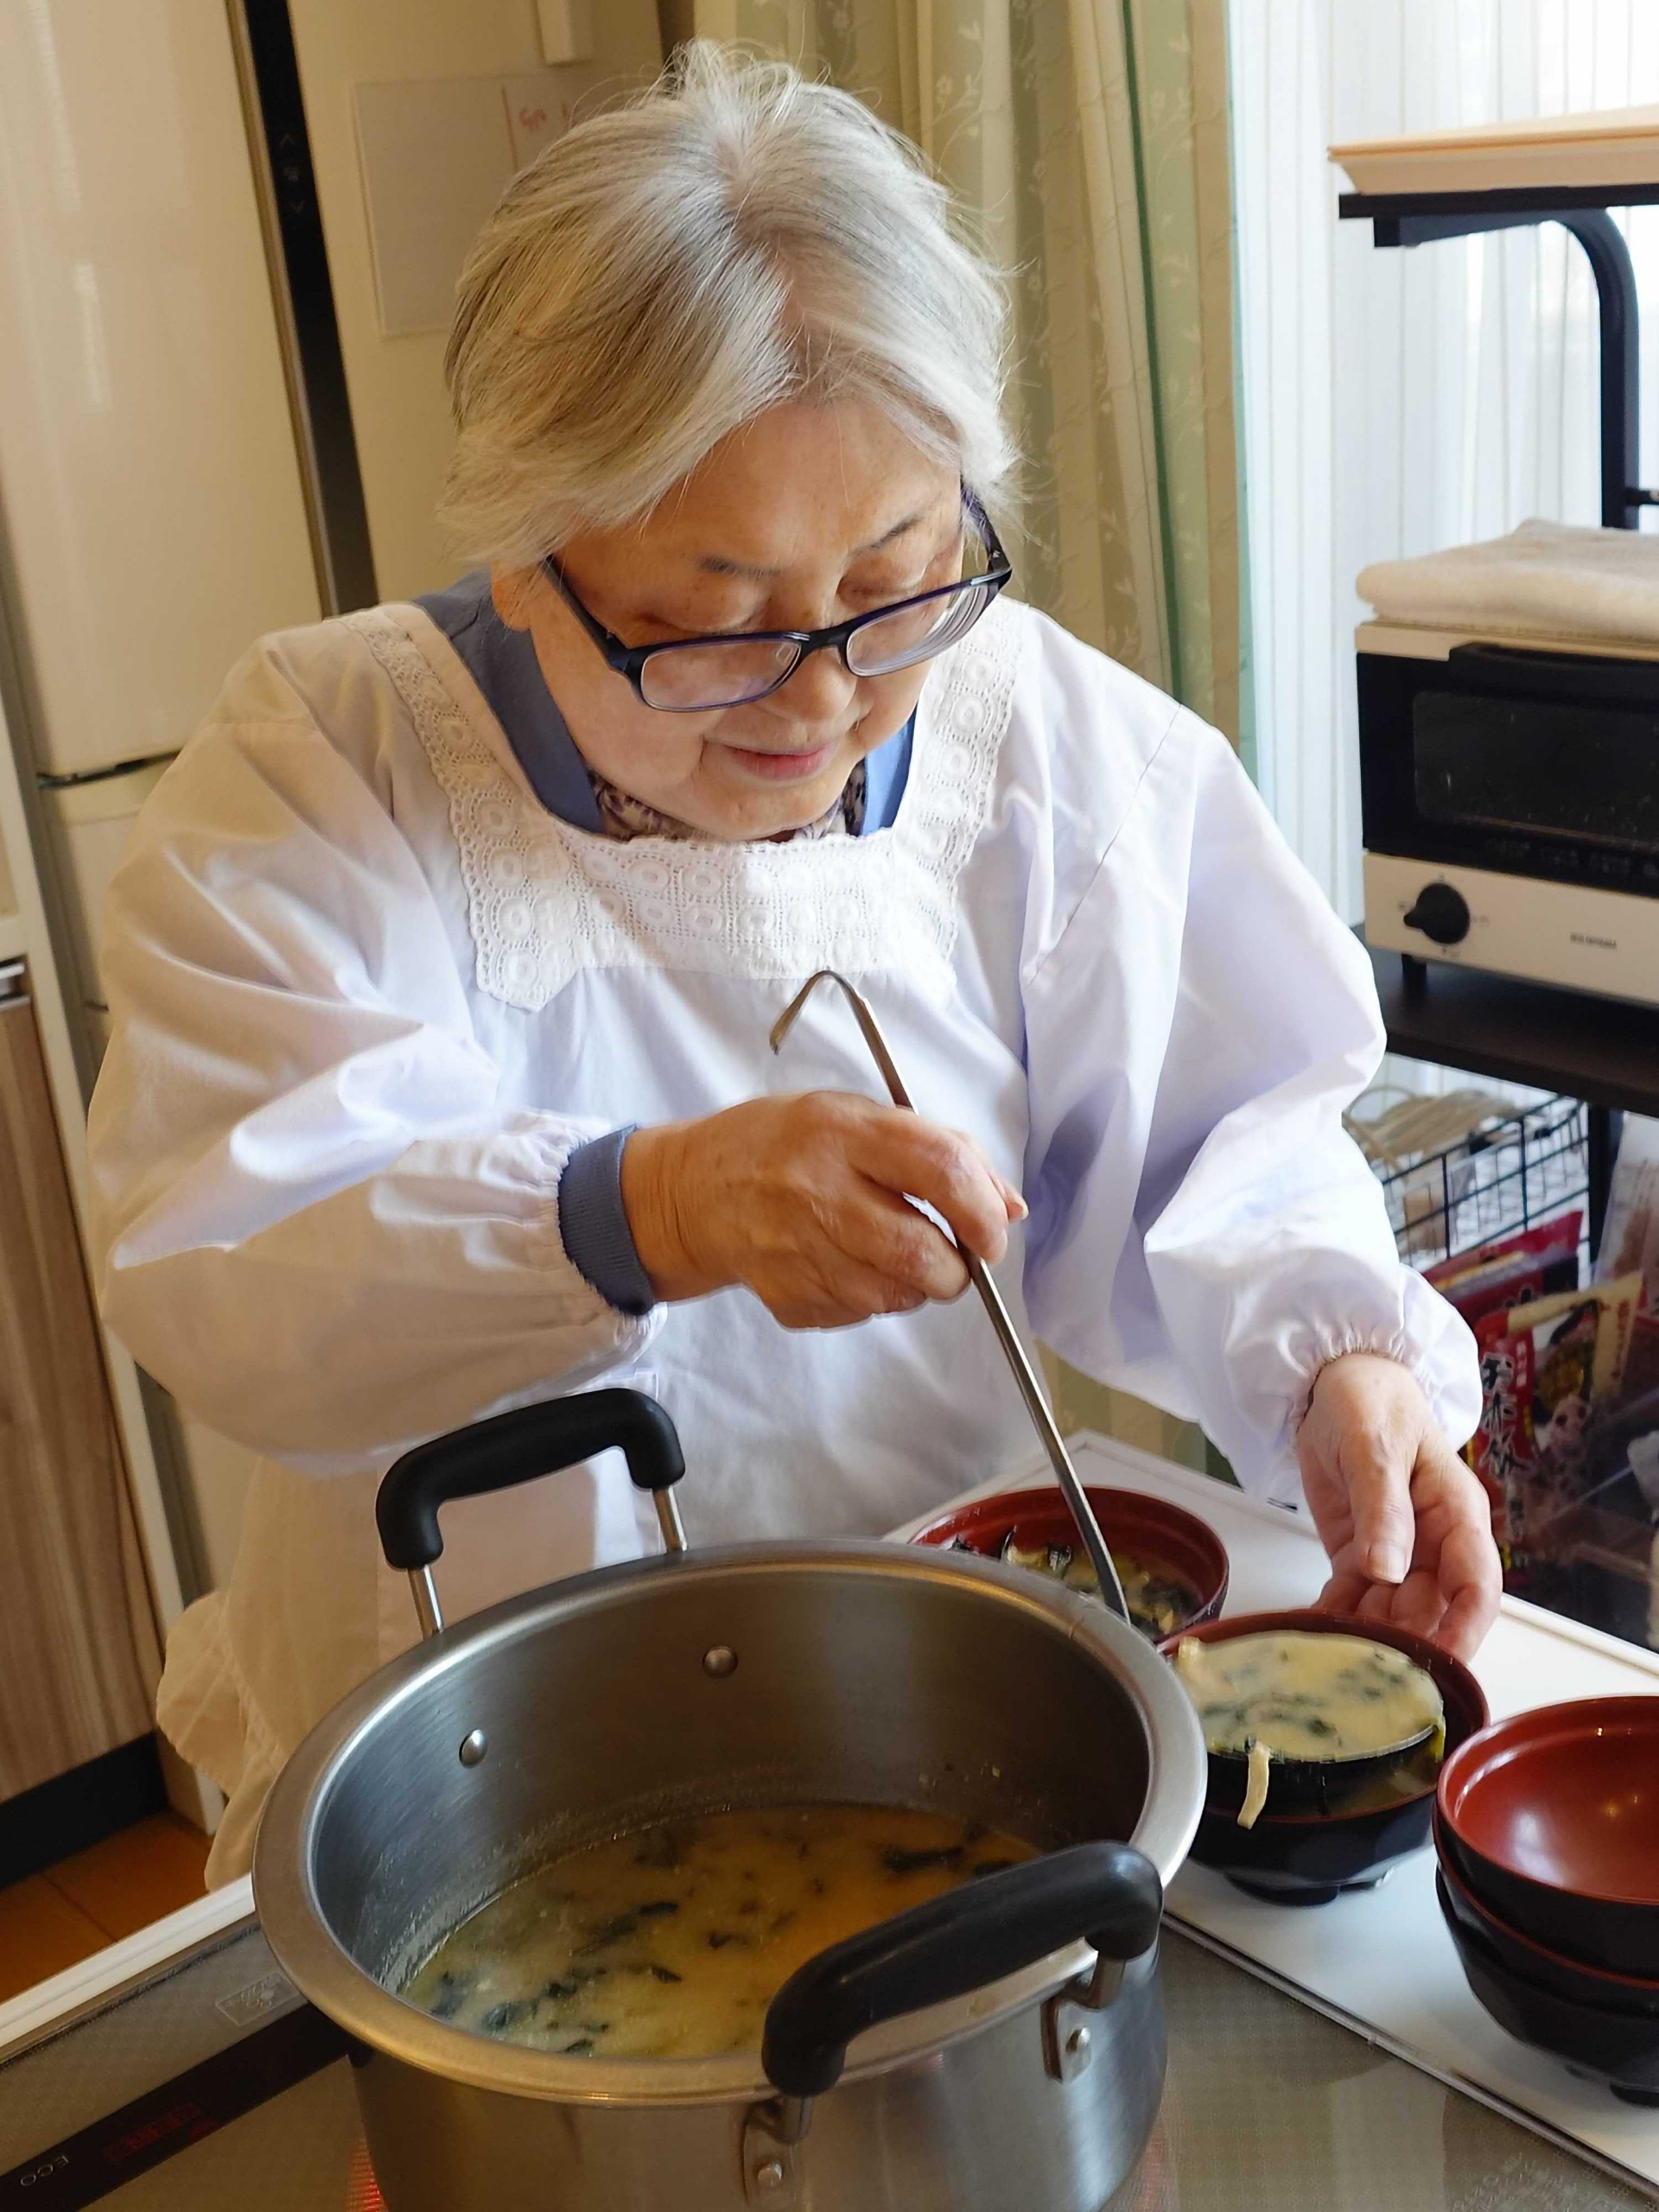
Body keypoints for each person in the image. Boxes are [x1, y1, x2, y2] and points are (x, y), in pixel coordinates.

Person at [87, 45, 1497, 1884]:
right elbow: (233, 1253)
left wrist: (1342, 1367)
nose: (821, 699)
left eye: (895, 583)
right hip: (475, 1776)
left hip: (948, 1722)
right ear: (523, 554)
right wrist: (648, 1205)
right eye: (714, 628)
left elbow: (1226, 1136)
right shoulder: (329, 764)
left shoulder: (1036, 745)